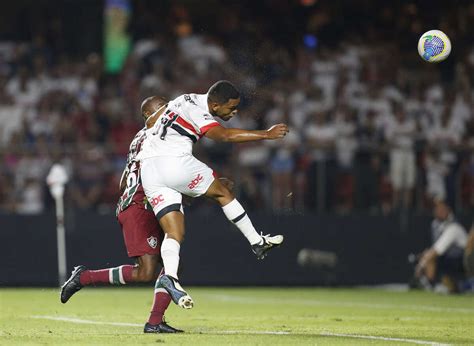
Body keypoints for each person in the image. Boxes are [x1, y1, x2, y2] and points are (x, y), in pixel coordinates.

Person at [138, 80, 289, 309]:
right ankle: (257, 242)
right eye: (231, 108)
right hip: (173, 163)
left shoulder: (184, 97)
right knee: (224, 192)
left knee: (174, 231)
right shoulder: (200, 110)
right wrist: (266, 135)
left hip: (149, 171)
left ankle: (170, 277)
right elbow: (225, 136)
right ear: (215, 106)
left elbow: (151, 122)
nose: (235, 111)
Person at [60, 96, 183, 333]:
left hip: (144, 200)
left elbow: (124, 178)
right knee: (146, 271)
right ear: (150, 115)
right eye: (164, 108)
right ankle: (84, 278)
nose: (169, 110)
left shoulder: (140, 137)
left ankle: (155, 322)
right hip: (141, 203)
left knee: (172, 258)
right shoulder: (159, 135)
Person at [415, 199, 468, 293]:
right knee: (430, 255)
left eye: (442, 209)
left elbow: (437, 250)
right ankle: (434, 284)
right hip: (451, 260)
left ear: (449, 210)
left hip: (464, 262)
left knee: (431, 256)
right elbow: (436, 247)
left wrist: (420, 266)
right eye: (437, 209)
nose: (439, 211)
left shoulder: (454, 227)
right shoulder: (435, 225)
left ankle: (429, 284)